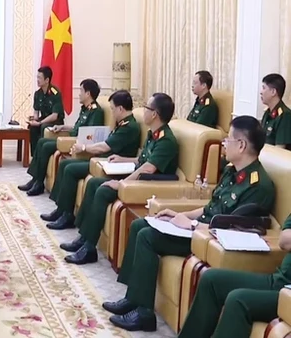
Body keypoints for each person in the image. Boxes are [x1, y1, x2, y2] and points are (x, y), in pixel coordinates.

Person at [104, 115, 276, 332]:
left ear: (241, 145)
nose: (223, 143)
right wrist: (179, 214)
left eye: (228, 140)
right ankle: (135, 299)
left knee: (147, 237)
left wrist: (192, 226)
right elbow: (209, 208)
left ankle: (144, 315)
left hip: (210, 241)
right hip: (198, 230)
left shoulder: (259, 186)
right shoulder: (232, 171)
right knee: (141, 225)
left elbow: (236, 229)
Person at [61, 93, 180, 265]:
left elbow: (148, 168)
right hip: (138, 178)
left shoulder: (166, 140)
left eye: (147, 108)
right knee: (94, 183)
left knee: (103, 190)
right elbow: (143, 160)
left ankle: (89, 249)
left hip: (145, 185)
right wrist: (123, 159)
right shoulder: (153, 133)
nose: (143, 111)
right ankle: (84, 239)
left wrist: (122, 184)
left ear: (154, 114)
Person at [178, 212, 291, 338]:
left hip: (289, 293)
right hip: (279, 281)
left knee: (238, 300)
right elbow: (284, 240)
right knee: (212, 280)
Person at [39, 90, 141, 227]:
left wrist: (84, 148)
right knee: (66, 164)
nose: (111, 113)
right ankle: (61, 210)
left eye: (112, 109)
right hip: (103, 161)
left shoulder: (129, 127)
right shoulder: (123, 123)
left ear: (120, 109)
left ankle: (67, 216)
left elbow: (104, 147)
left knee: (70, 169)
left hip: (109, 165)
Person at [19, 79, 105, 196]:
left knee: (45, 146)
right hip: (71, 138)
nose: (79, 94)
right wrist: (63, 127)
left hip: (76, 143)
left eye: (81, 90)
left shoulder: (96, 111)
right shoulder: (85, 108)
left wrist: (73, 139)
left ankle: (38, 183)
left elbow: (89, 135)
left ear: (88, 94)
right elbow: (77, 128)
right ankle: (35, 179)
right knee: (41, 142)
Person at [27, 66, 65, 161]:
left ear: (47, 80)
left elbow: (54, 115)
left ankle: (42, 156)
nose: (37, 80)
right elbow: (36, 112)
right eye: (37, 77)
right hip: (44, 118)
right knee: (32, 127)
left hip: (56, 121)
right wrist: (34, 120)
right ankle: (35, 156)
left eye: (39, 77)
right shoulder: (37, 94)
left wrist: (40, 122)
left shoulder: (55, 93)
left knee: (43, 126)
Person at [260, 73, 291, 150]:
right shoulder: (267, 112)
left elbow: (280, 149)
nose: (261, 92)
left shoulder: (285, 116)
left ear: (273, 92)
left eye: (264, 88)